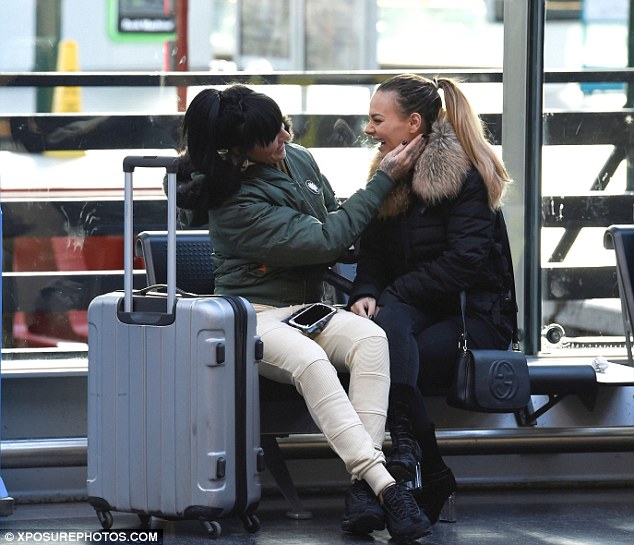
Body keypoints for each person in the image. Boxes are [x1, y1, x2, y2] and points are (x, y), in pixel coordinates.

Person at [176, 84, 431, 542]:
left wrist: (347, 229)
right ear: (237, 153)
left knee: (373, 339)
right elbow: (327, 239)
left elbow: (333, 219)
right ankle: (385, 487)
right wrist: (382, 182)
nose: (285, 137)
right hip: (252, 314)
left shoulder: (297, 158)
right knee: (310, 362)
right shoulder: (234, 204)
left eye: (281, 125)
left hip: (309, 304)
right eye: (270, 136)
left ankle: (361, 493)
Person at [349, 74, 517, 524]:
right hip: (418, 307)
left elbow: (465, 262)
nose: (369, 129)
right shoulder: (389, 173)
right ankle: (419, 467)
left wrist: (392, 293)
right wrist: (366, 290)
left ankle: (399, 469)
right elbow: (375, 251)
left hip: (476, 314)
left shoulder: (464, 174)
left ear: (414, 123)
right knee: (386, 338)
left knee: (401, 352)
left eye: (377, 119)